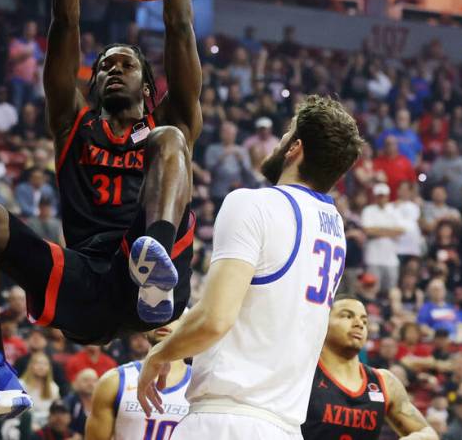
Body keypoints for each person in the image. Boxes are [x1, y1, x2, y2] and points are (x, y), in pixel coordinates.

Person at [0, 0, 202, 420]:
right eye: (103, 64)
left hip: (154, 286)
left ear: (148, 84)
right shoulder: (72, 124)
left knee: (172, 140)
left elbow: (179, 27)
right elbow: (66, 23)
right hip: (86, 281)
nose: (111, 68)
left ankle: (152, 258)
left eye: (125, 63)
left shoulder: (170, 119)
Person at [137, 95, 364, 440]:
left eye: (286, 134)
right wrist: (184, 324)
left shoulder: (254, 204)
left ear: (295, 148)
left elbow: (216, 320)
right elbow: (261, 308)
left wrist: (160, 353)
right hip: (284, 427)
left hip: (228, 421)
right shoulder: (334, 228)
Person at [301, 297, 437, 440]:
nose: (359, 324)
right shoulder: (304, 372)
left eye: (364, 321)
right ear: (323, 323)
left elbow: (428, 434)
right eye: (347, 316)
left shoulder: (384, 382)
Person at [85, 319, 189, 440]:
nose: (164, 321)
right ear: (145, 327)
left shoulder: (202, 383)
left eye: (175, 317)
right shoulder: (114, 381)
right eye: (158, 314)